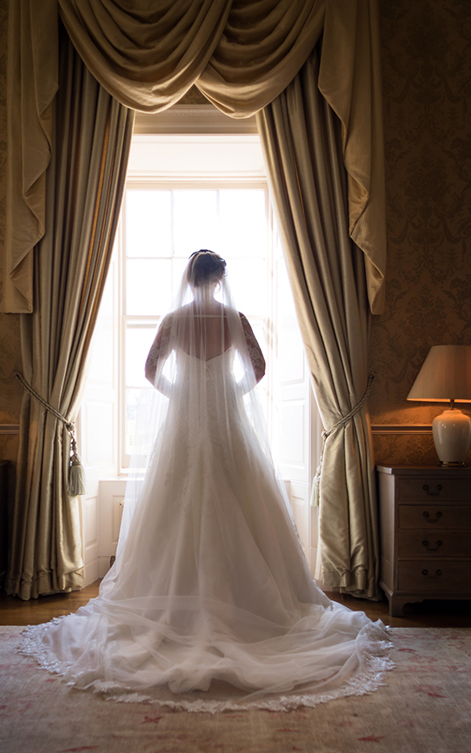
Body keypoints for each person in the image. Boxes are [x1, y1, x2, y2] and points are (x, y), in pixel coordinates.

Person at [22, 250, 392, 712]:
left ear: (190, 278)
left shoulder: (174, 320)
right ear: (219, 279)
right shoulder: (235, 319)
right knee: (241, 495)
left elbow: (149, 370)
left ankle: (173, 599)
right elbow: (257, 369)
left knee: (174, 500)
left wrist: (180, 391)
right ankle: (250, 600)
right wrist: (228, 391)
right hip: (226, 418)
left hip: (184, 417)